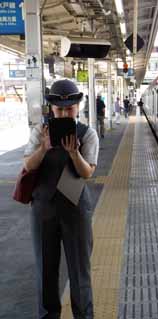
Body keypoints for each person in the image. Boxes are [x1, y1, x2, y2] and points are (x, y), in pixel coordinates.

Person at [23, 79, 99, 319]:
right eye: (59, 110)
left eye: (69, 109)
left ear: (78, 107)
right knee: (45, 269)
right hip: (43, 208)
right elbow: (27, 165)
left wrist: (74, 153)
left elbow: (87, 172)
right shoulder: (39, 132)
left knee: (80, 272)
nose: (64, 113)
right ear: (51, 109)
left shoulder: (88, 134)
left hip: (76, 208)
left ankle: (84, 315)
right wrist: (43, 148)